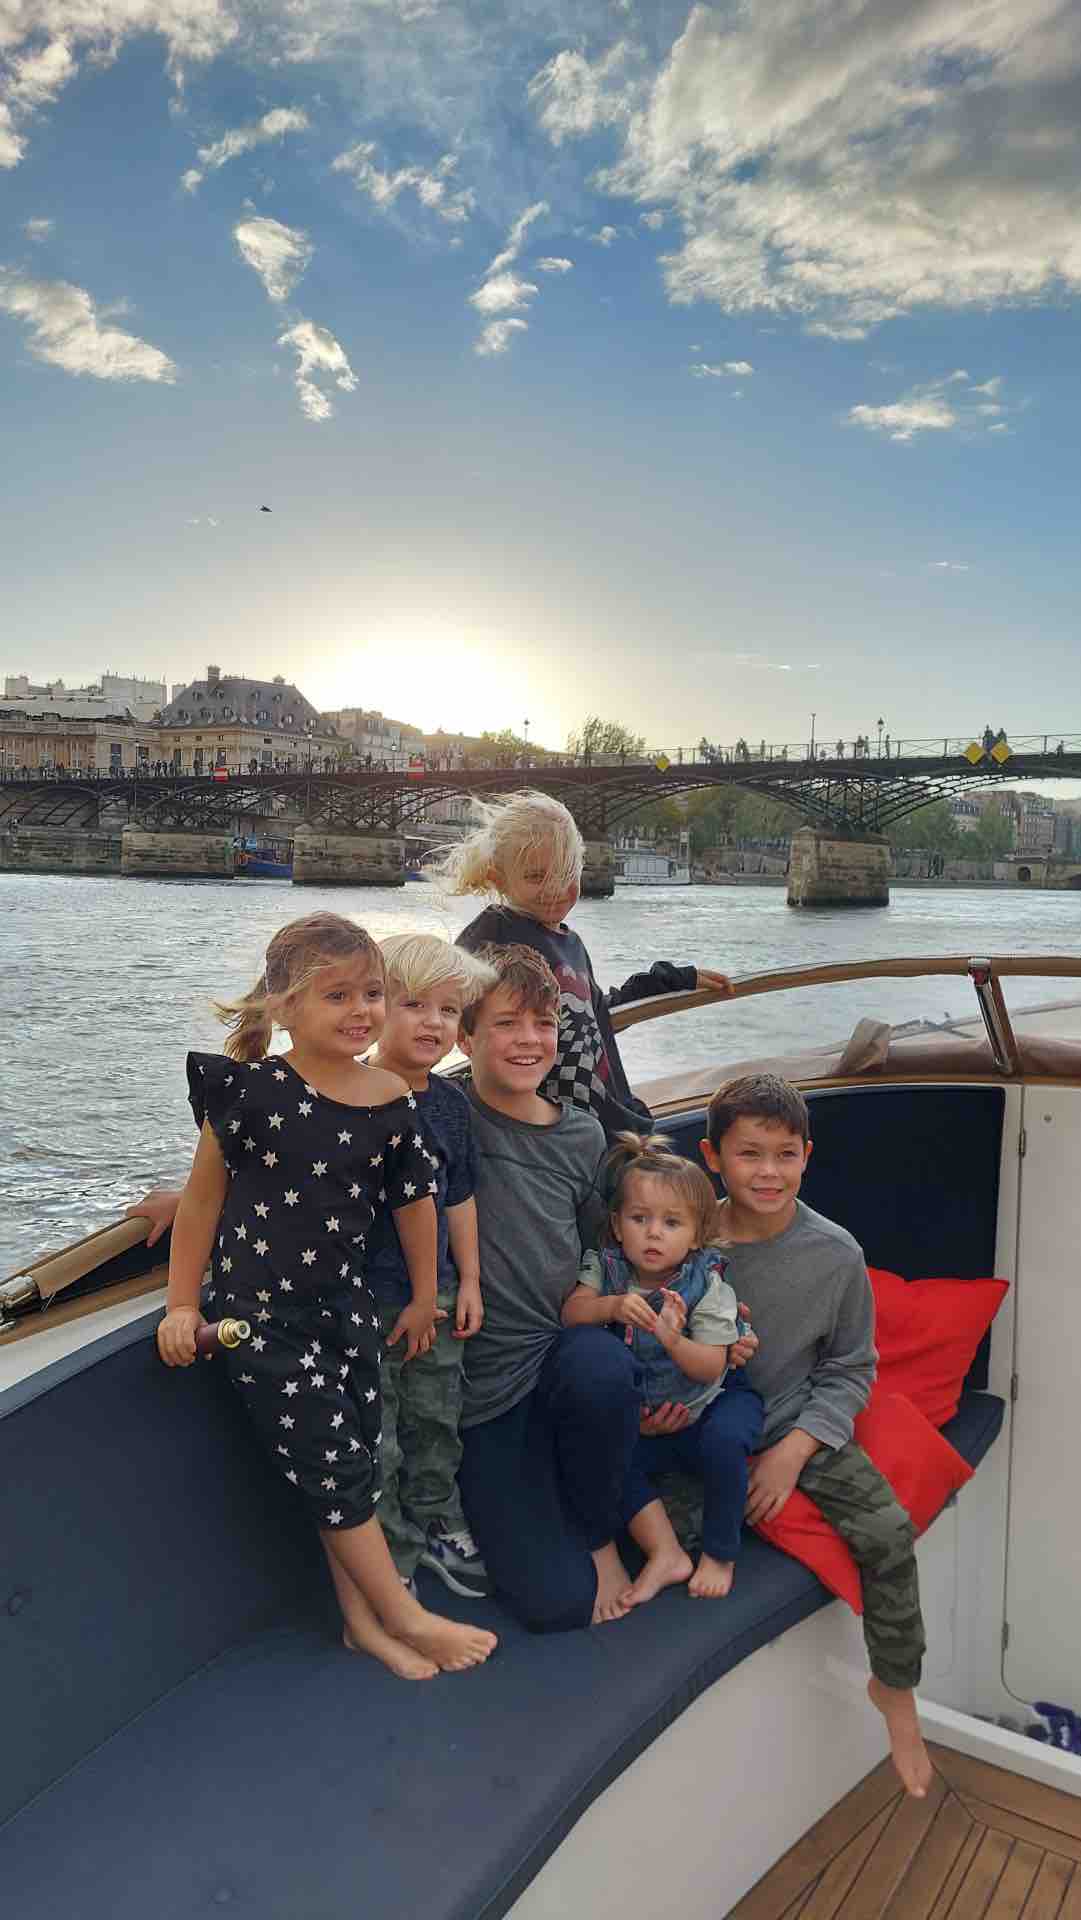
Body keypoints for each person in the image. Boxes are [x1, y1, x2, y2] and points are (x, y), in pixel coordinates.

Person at [149, 911, 497, 1682]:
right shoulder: (250, 1093)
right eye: (336, 996)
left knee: (351, 1472)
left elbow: (416, 1202)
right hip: (257, 1320)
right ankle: (405, 1616)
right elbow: (203, 1203)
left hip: (345, 1313)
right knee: (335, 1463)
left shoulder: (388, 1101)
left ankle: (361, 1628)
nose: (361, 1011)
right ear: (283, 1008)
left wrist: (419, 1297)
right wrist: (182, 1306)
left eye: (370, 993)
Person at [700, 1073, 931, 1798]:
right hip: (694, 1426)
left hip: (794, 1420)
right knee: (655, 1534)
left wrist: (793, 1451)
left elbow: (851, 1368)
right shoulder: (681, 1233)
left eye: (784, 1154)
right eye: (748, 1154)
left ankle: (896, 1690)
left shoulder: (835, 1254)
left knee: (888, 1533)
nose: (767, 1172)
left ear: (806, 1156)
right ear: (712, 1156)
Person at [442, 790, 731, 1137]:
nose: (555, 889)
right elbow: (440, 1003)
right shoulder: (493, 934)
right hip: (542, 1132)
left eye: (566, 875)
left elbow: (594, 1015)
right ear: (499, 878)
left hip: (605, 1121)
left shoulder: (572, 944)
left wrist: (668, 980)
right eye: (536, 877)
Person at [562, 1133, 764, 1604]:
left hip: (712, 1401)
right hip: (648, 1417)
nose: (654, 1233)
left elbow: (712, 1366)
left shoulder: (706, 1284)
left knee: (724, 1442)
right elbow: (573, 1314)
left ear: (696, 1235)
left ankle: (719, 1552)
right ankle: (665, 1554)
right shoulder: (605, 1267)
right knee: (612, 1459)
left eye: (671, 1223)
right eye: (639, 1219)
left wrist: (672, 1336)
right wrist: (610, 1306)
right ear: (615, 1225)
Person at [364, 933, 494, 1598]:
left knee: (436, 1420)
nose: (432, 1022)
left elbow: (460, 1197)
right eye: (412, 1004)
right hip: (363, 1305)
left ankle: (437, 1518)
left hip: (436, 1296)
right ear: (374, 1007)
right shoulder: (349, 1095)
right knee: (378, 1436)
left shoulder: (449, 1105)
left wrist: (467, 1280)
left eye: (447, 1010)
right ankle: (393, 1554)